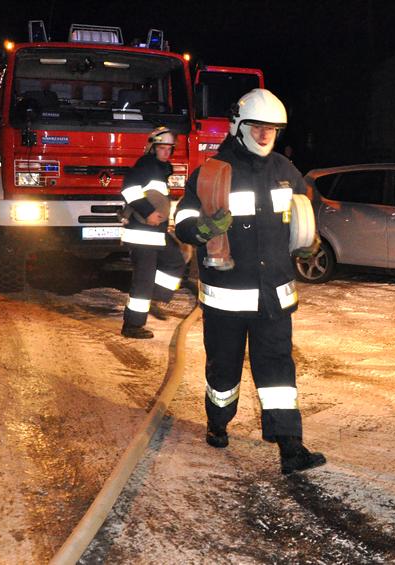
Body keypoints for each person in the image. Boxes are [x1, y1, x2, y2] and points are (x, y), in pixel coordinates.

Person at [175, 89, 325, 475]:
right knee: (223, 370)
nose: (265, 135)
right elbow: (184, 222)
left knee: (278, 372)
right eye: (257, 127)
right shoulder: (211, 172)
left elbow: (304, 217)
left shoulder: (285, 172)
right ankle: (218, 422)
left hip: (273, 296)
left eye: (272, 129)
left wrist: (309, 244)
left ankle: (290, 446)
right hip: (227, 299)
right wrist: (203, 227)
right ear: (239, 128)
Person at [119, 127, 186, 339]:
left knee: (175, 261)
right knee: (143, 280)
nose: (166, 152)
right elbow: (129, 189)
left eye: (169, 149)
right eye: (162, 148)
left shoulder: (159, 168)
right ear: (153, 148)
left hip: (156, 233)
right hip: (142, 233)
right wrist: (147, 212)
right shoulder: (146, 165)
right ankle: (132, 325)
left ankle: (155, 299)